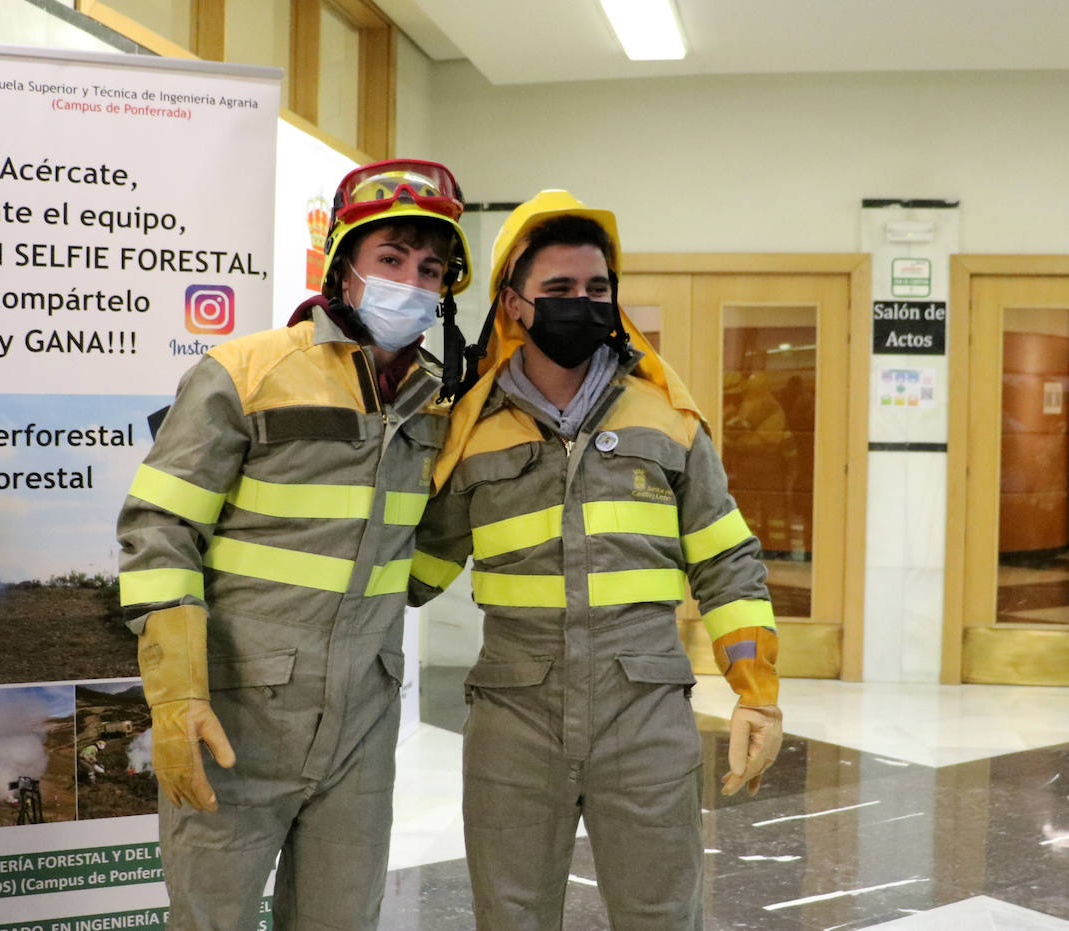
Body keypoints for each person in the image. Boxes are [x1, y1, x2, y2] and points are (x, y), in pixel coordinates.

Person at [409, 190, 783, 930]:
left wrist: (757, 689)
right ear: (513, 303)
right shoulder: (467, 430)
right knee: (511, 915)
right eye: (558, 290)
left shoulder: (667, 417)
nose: (582, 303)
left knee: (662, 915)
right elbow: (407, 567)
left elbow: (727, 559)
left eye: (597, 289)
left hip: (642, 712)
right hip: (514, 717)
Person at [117, 159, 473, 930]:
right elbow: (158, 530)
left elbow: (420, 568)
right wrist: (177, 694)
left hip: (361, 727)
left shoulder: (439, 404)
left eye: (431, 268)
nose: (411, 283)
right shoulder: (247, 372)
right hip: (238, 717)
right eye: (392, 260)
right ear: (344, 267)